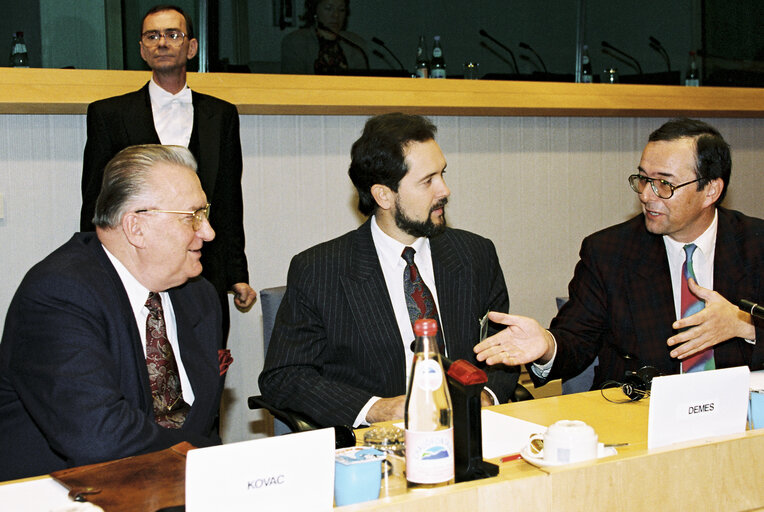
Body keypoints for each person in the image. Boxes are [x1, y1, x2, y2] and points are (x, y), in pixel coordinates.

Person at [259, 113, 519, 428]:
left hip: (470, 434)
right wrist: (377, 409)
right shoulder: (319, 270)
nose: (444, 190)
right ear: (384, 194)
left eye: (442, 174)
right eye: (427, 181)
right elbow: (285, 376)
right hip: (377, 447)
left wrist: (487, 395)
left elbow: (504, 354)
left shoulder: (475, 255)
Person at [474, 118, 763, 389]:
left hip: (743, 418)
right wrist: (547, 346)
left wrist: (746, 327)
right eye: (643, 179)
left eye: (664, 183)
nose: (646, 195)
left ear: (711, 190)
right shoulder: (609, 252)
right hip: (641, 418)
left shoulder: (756, 243)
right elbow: (576, 341)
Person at [0, 145, 226, 481]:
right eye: (192, 216)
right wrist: (216, 463)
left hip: (174, 488)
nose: (208, 232)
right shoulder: (59, 294)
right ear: (136, 227)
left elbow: (200, 424)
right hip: (70, 494)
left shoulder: (199, 294)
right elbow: (99, 436)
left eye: (204, 214)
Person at [80, 4, 256, 339]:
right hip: (135, 269)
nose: (162, 42)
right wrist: (96, 271)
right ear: (142, 50)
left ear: (191, 47)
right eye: (152, 36)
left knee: (205, 372)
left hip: (206, 270)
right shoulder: (108, 114)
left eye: (173, 34)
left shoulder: (221, 115)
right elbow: (96, 202)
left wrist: (237, 271)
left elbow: (230, 198)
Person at [281, 0, 368, 75]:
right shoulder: (296, 41)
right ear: (315, 10)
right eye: (328, 8)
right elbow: (294, 83)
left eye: (341, 10)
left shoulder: (355, 43)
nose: (336, 15)